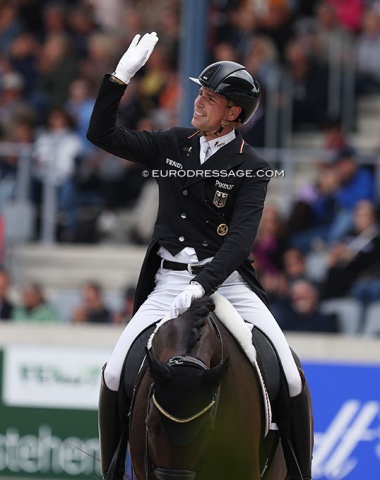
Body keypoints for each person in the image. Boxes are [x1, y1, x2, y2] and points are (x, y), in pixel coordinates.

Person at [87, 32, 313, 480]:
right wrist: (119, 78)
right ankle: (114, 470)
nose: (199, 102)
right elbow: (102, 134)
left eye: (210, 98)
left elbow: (240, 240)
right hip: (168, 283)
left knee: (289, 375)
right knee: (114, 373)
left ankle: (301, 470)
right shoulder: (173, 143)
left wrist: (202, 284)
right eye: (200, 94)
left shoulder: (252, 167)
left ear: (233, 113)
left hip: (226, 284)